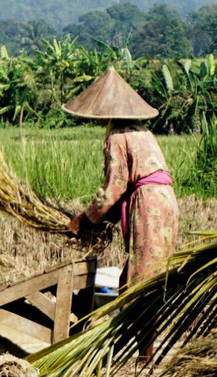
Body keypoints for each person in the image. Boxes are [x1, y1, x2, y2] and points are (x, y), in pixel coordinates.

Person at [63, 67, 179, 288]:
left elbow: (114, 190)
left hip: (148, 204)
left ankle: (138, 318)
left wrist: (82, 220)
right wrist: (102, 222)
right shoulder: (142, 130)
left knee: (143, 277)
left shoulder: (116, 137)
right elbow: (124, 188)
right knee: (154, 267)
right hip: (165, 201)